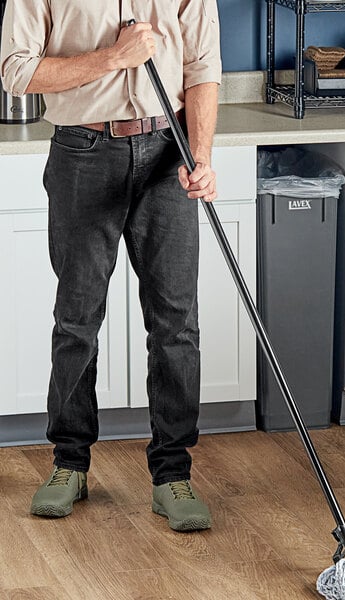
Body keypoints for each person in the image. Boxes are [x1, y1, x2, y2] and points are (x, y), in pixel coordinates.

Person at [0, 1, 221, 532]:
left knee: (175, 322)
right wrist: (113, 58)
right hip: (82, 150)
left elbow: (202, 69)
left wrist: (203, 158)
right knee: (77, 318)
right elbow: (16, 71)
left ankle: (172, 474)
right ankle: (69, 464)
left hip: (169, 151)